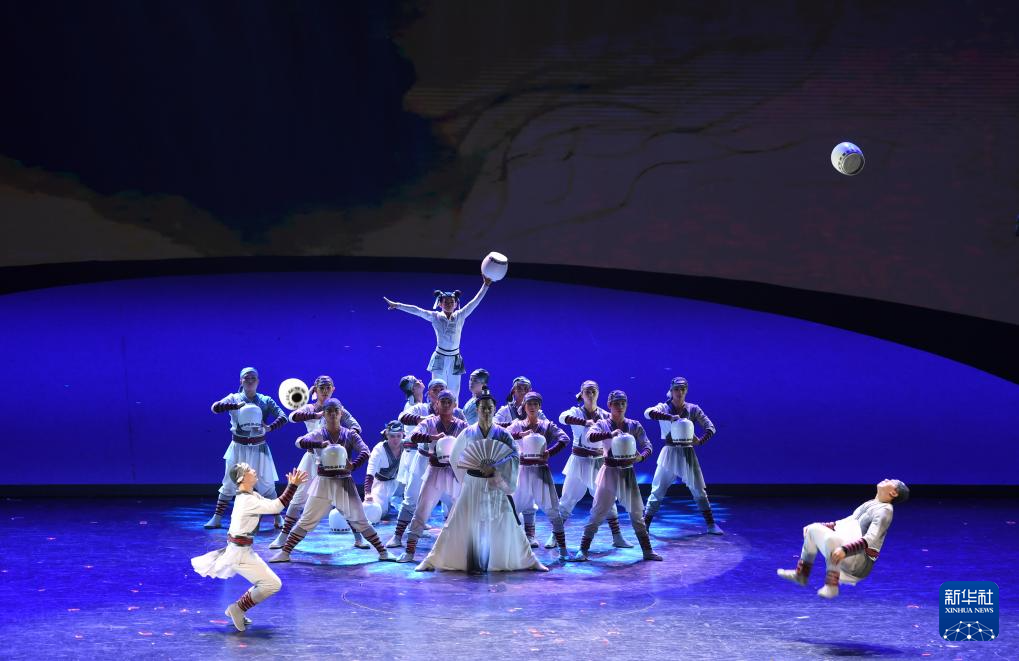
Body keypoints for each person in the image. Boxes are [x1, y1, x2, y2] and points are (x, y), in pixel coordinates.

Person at [416, 387, 548, 573]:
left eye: (489, 408)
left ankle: (528, 560)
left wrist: (496, 469)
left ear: (494, 410)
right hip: (473, 483)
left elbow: (514, 456)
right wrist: (467, 476)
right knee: (457, 522)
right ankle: (433, 559)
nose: (486, 411)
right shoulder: (467, 433)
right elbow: (455, 457)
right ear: (477, 410)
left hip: (495, 482)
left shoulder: (502, 433)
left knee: (508, 523)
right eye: (483, 408)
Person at [267, 399, 392, 563]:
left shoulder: (349, 434)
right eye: (329, 411)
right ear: (324, 415)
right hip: (323, 483)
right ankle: (285, 552)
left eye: (336, 411)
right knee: (306, 520)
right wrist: (319, 444)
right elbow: (299, 442)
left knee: (361, 520)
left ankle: (383, 552)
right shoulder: (320, 433)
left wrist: (353, 465)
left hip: (344, 483)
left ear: (341, 413)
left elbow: (365, 451)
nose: (333, 414)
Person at [191, 464, 308, 632]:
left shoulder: (251, 496)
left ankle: (238, 608)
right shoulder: (247, 500)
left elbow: (274, 504)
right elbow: (277, 507)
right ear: (242, 478)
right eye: (250, 470)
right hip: (240, 553)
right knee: (272, 584)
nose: (254, 471)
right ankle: (238, 608)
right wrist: (293, 486)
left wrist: (292, 486)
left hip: (243, 550)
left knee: (267, 583)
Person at [270, 375, 362, 548]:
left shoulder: (337, 408)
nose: (325, 391)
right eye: (322, 388)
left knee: (343, 499)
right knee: (298, 497)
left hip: (333, 462)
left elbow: (356, 426)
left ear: (333, 389)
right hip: (312, 459)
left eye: (328, 387)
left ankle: (358, 537)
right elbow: (293, 417)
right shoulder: (310, 408)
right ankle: (283, 537)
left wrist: (347, 438)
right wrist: (317, 413)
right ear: (316, 389)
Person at [777, 479, 909, 598]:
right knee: (813, 529)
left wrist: (845, 550)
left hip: (859, 563)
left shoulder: (885, 511)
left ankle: (831, 587)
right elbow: (845, 522)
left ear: (893, 493)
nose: (886, 479)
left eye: (891, 481)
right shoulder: (870, 503)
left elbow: (871, 538)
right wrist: (821, 525)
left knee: (832, 540)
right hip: (848, 552)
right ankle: (801, 575)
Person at [572, 390, 661, 562]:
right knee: (598, 512)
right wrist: (609, 434)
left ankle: (647, 551)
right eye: (616, 403)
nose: (620, 406)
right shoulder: (602, 424)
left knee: (636, 513)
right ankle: (583, 550)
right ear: (609, 405)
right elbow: (590, 437)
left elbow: (648, 445)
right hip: (609, 472)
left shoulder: (634, 425)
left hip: (627, 473)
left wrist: (641, 457)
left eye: (623, 403)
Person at [384, 276, 493, 401]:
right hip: (440, 357)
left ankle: (454, 413)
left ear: (456, 304)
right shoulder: (435, 316)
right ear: (440, 303)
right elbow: (417, 310)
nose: (449, 304)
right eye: (446, 302)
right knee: (437, 390)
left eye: (451, 302)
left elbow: (475, 301)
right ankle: (435, 411)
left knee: (454, 391)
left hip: (455, 358)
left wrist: (485, 285)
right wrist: (397, 305)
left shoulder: (460, 315)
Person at [552, 380, 632, 549]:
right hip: (578, 462)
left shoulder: (604, 415)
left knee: (608, 500)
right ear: (581, 394)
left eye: (593, 391)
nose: (590, 394)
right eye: (587, 391)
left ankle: (617, 537)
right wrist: (584, 422)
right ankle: (554, 536)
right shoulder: (575, 412)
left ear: (598, 393)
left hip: (598, 463)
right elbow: (562, 417)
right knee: (567, 500)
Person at [205, 367, 288, 530]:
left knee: (267, 484)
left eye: (253, 378)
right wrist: (234, 406)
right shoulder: (234, 398)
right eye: (246, 378)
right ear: (241, 381)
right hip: (238, 447)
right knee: (229, 482)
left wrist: (270, 427)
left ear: (258, 381)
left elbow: (283, 416)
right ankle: (217, 518)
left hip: (259, 448)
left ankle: (278, 517)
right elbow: (215, 407)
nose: (250, 381)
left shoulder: (265, 400)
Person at [386, 378, 465, 547]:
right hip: (424, 460)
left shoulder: (457, 414)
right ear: (429, 394)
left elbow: (468, 434)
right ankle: (398, 536)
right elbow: (402, 417)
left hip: (449, 466)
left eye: (442, 389)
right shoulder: (423, 410)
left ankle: (455, 540)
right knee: (411, 498)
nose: (439, 392)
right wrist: (422, 420)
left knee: (455, 500)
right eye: (435, 389)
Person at [643, 376, 722, 534]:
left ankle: (711, 524)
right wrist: (669, 417)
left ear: (686, 391)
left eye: (683, 389)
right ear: (671, 391)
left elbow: (711, 427)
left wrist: (700, 441)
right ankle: (645, 525)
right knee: (657, 489)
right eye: (676, 389)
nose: (679, 392)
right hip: (669, 452)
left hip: (687, 452)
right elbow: (648, 413)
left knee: (698, 489)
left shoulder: (693, 409)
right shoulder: (663, 407)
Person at [507, 392, 571, 560]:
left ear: (540, 406)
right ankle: (510, 546)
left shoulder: (546, 425)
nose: (532, 407)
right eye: (529, 404)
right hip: (522, 472)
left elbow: (564, 438)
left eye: (536, 404)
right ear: (524, 406)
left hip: (541, 471)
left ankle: (563, 549)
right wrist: (519, 435)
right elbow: (503, 436)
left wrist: (550, 452)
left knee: (553, 510)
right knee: (512, 510)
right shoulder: (518, 425)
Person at [363, 421, 406, 520]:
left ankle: (395, 501)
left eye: (398, 436)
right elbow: (370, 471)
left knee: (410, 510)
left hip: (398, 484)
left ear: (403, 435)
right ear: (387, 435)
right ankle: (386, 504)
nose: (396, 439)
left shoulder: (406, 446)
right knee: (379, 512)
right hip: (381, 485)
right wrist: (367, 493)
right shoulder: (379, 449)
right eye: (392, 436)